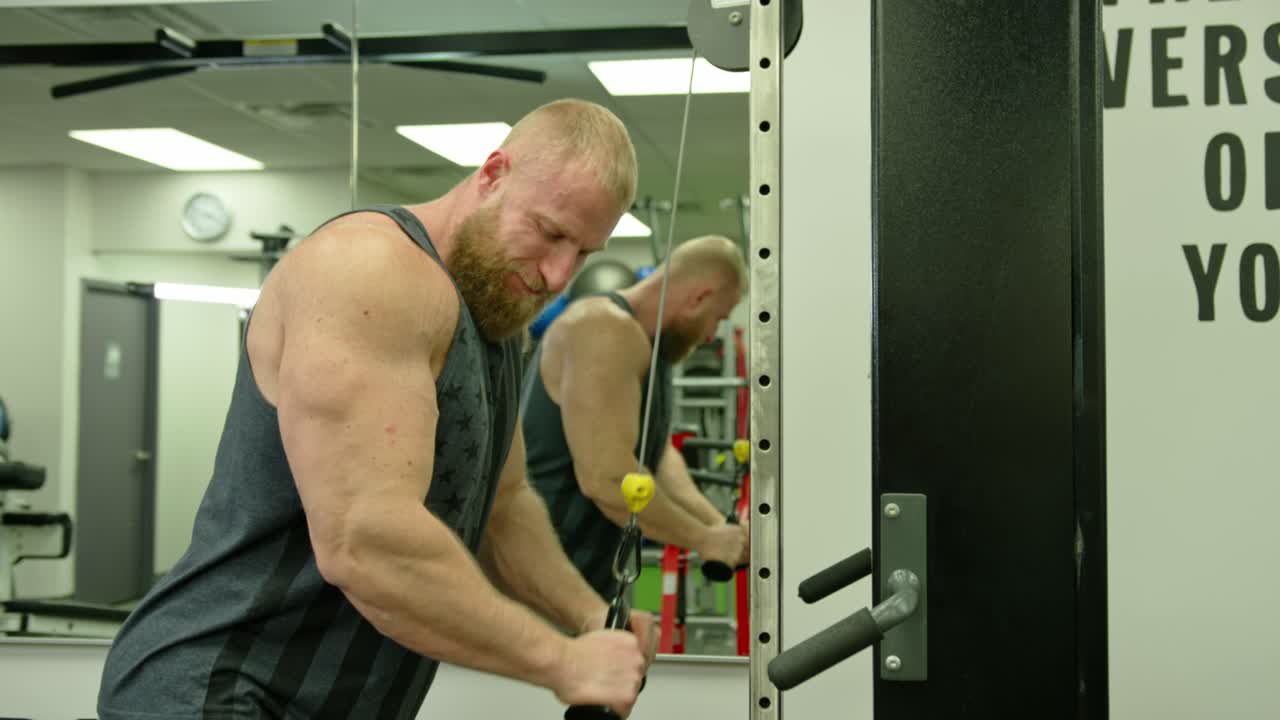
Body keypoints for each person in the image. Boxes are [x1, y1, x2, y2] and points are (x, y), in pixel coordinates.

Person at [97, 98, 659, 720]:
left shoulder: (498, 315)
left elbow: (506, 505)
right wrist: (561, 662)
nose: (558, 275)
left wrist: (586, 615)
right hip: (219, 691)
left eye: (582, 252)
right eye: (550, 233)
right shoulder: (370, 269)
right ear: (493, 174)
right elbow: (367, 538)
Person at [521, 235, 750, 600]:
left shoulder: (652, 345)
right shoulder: (604, 329)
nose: (710, 335)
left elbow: (655, 456)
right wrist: (701, 538)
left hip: (591, 579)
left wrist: (719, 526)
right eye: (717, 319)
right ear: (699, 297)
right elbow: (608, 479)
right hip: (541, 583)